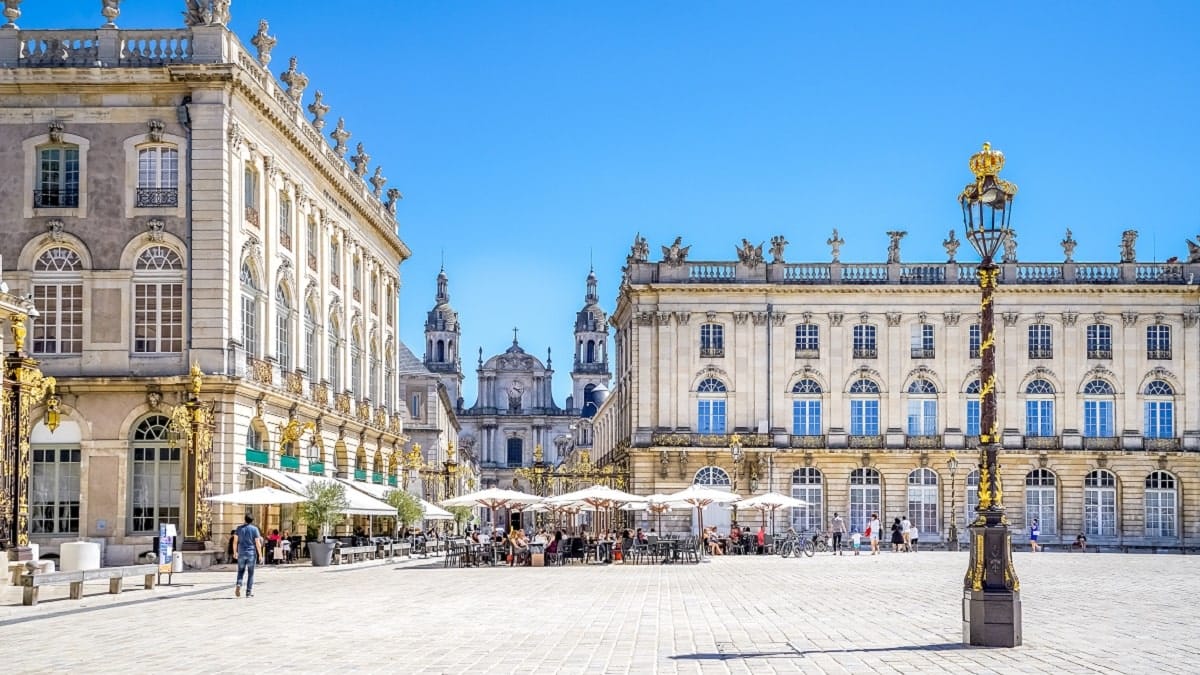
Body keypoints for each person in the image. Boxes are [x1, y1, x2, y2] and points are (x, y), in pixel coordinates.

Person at [232, 515, 263, 598]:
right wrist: (260, 555)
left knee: (240, 571)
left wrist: (235, 552)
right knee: (251, 573)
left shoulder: (239, 528)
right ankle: (248, 592)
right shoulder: (254, 529)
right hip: (251, 553)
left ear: (244, 519)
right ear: (252, 520)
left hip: (241, 552)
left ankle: (239, 584)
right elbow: (258, 543)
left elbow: (235, 542)